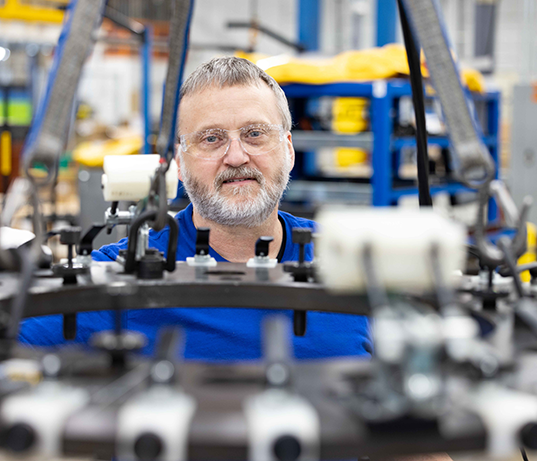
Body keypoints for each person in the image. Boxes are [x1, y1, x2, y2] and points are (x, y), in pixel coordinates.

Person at [19, 57, 372, 361]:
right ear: (180, 162)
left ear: (289, 149)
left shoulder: (356, 265)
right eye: (211, 138)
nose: (236, 157)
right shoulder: (117, 278)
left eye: (254, 134)